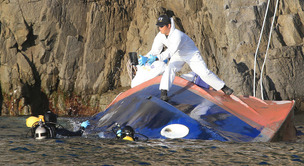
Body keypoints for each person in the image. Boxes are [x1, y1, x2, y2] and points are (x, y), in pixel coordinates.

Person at [140, 14, 233, 101]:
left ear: (168, 26)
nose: (159, 28)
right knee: (170, 68)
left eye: (161, 26)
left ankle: (224, 88)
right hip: (178, 55)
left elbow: (170, 51)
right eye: (159, 26)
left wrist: (156, 58)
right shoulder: (160, 36)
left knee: (204, 72)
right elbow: (155, 50)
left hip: (191, 54)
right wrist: (146, 58)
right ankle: (164, 93)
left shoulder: (177, 35)